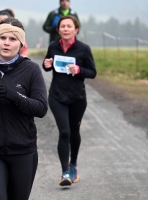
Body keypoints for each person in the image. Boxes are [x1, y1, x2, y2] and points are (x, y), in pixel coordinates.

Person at [0, 17, 48, 199]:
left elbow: (41, 108)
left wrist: (14, 96)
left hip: (22, 151)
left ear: (20, 44)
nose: (7, 43)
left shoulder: (31, 70)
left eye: (13, 39)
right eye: (3, 38)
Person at [42, 15, 96, 186]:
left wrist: (79, 69)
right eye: (62, 26)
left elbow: (92, 72)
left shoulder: (83, 49)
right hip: (57, 95)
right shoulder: (53, 46)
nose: (65, 29)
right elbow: (47, 64)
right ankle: (65, 172)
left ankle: (73, 165)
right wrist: (46, 64)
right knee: (64, 132)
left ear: (76, 30)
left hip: (77, 97)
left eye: (69, 26)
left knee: (74, 131)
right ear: (58, 30)